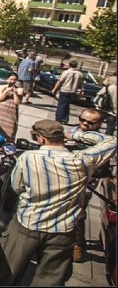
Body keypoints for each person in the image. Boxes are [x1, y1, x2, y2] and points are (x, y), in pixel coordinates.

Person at [0, 119, 116, 286]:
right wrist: (74, 133)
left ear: (41, 139)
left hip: (28, 223)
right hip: (62, 230)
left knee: (5, 272)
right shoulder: (82, 161)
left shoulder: (28, 158)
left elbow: (16, 187)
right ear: (62, 138)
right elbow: (111, 141)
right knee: (50, 279)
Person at [66, 108, 106, 262]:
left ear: (99, 124)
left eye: (90, 122)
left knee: (77, 215)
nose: (84, 124)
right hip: (62, 179)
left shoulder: (102, 142)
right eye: (82, 119)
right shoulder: (68, 132)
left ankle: (77, 244)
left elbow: (110, 165)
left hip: (85, 184)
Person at [0, 73, 23, 140]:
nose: (12, 81)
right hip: (0, 110)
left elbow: (17, 102)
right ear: (7, 79)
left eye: (14, 80)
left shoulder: (19, 90)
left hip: (12, 112)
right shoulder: (2, 87)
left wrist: (15, 93)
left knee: (10, 129)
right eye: (11, 79)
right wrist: (6, 91)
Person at [52, 59, 84, 125]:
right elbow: (82, 84)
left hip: (65, 90)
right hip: (73, 91)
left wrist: (54, 89)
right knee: (67, 105)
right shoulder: (80, 74)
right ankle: (65, 119)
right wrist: (81, 93)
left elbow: (60, 81)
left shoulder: (66, 72)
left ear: (69, 65)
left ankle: (59, 119)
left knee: (61, 105)